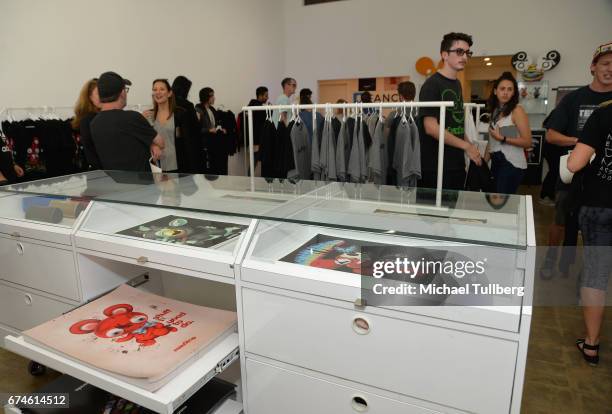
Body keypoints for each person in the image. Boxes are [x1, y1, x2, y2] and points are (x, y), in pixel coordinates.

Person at [541, 41, 612, 279]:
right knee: (560, 220)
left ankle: (588, 273)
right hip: (572, 173)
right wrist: (581, 143)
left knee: (596, 231)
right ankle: (550, 259)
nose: (610, 69)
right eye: (605, 63)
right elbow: (551, 134)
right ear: (593, 66)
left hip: (604, 182)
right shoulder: (574, 99)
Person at [567, 98, 612, 366]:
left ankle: (591, 344)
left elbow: (574, 164)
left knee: (596, 274)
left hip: (601, 205)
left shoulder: (604, 114)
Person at [418, 32, 481, 190]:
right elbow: (431, 128)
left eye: (467, 53)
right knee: (432, 213)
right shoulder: (432, 85)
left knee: (454, 211)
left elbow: (456, 122)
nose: (464, 57)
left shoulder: (457, 84)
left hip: (456, 164)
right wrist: (466, 147)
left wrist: (469, 145)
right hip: (435, 166)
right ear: (444, 55)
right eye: (459, 52)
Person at [90, 71, 165, 172]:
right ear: (122, 93)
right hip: (141, 183)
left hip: (114, 183)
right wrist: (153, 144)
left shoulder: (94, 123)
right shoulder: (132, 117)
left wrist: (151, 144)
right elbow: (161, 142)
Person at [486, 72, 532, 194]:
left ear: (513, 93)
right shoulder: (495, 111)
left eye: (509, 89)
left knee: (502, 204)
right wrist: (484, 163)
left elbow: (528, 142)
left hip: (512, 164)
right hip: (497, 162)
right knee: (494, 200)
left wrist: (503, 138)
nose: (505, 92)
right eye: (502, 89)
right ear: (495, 91)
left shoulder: (517, 110)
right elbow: (491, 142)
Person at [144, 79, 178, 172]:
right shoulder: (148, 115)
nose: (158, 92)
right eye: (155, 90)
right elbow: (144, 139)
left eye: (162, 89)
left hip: (177, 166)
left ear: (169, 93)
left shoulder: (179, 115)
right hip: (156, 166)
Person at [171, 75, 203, 173]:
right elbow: (196, 128)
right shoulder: (187, 105)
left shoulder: (167, 103)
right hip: (186, 148)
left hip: (170, 147)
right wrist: (198, 118)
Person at [72, 78, 102, 169]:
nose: (103, 96)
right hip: (98, 174)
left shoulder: (96, 117)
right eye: (98, 93)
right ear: (89, 96)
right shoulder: (89, 120)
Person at [198, 87, 227, 175]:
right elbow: (197, 129)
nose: (214, 98)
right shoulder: (198, 110)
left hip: (213, 142)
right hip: (205, 144)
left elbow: (216, 124)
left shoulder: (212, 109)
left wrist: (221, 128)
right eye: (212, 96)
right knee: (209, 168)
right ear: (206, 97)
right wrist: (209, 130)